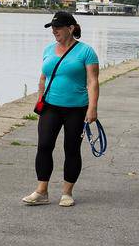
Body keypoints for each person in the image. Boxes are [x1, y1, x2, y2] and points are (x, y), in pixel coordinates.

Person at [22, 11, 100, 207]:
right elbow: (43, 77)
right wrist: (40, 100)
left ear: (71, 28)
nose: (54, 31)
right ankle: (42, 191)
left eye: (58, 27)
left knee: (72, 149)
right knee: (44, 146)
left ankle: (67, 192)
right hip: (50, 107)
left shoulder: (86, 52)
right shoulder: (48, 50)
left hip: (76, 108)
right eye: (52, 28)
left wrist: (92, 108)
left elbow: (93, 82)